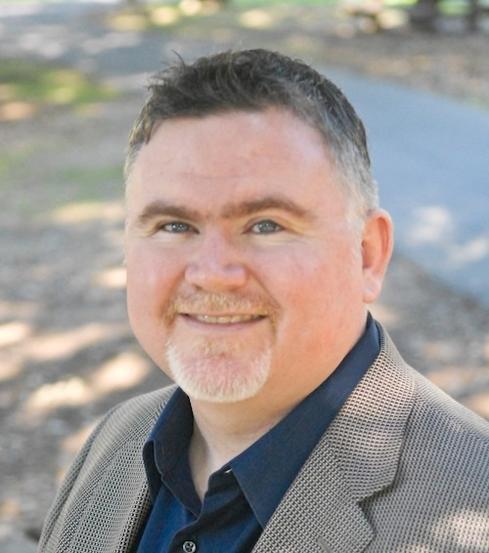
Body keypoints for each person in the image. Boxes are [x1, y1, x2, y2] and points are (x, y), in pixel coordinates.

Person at [39, 49, 488, 553]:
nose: (213, 273)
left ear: (367, 255)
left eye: (266, 225)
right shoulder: (111, 444)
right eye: (175, 226)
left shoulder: (475, 510)